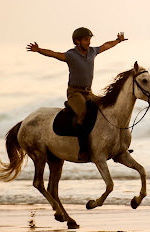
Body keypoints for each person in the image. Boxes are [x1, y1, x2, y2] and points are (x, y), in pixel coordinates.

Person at [26, 27, 127, 160]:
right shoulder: (71, 55)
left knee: (104, 109)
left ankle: (113, 146)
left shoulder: (92, 52)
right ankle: (83, 149)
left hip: (88, 92)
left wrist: (118, 41)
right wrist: (39, 50)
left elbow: (105, 46)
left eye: (90, 39)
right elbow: (54, 54)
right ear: (77, 41)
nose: (89, 42)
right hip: (75, 93)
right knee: (83, 113)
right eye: (86, 40)